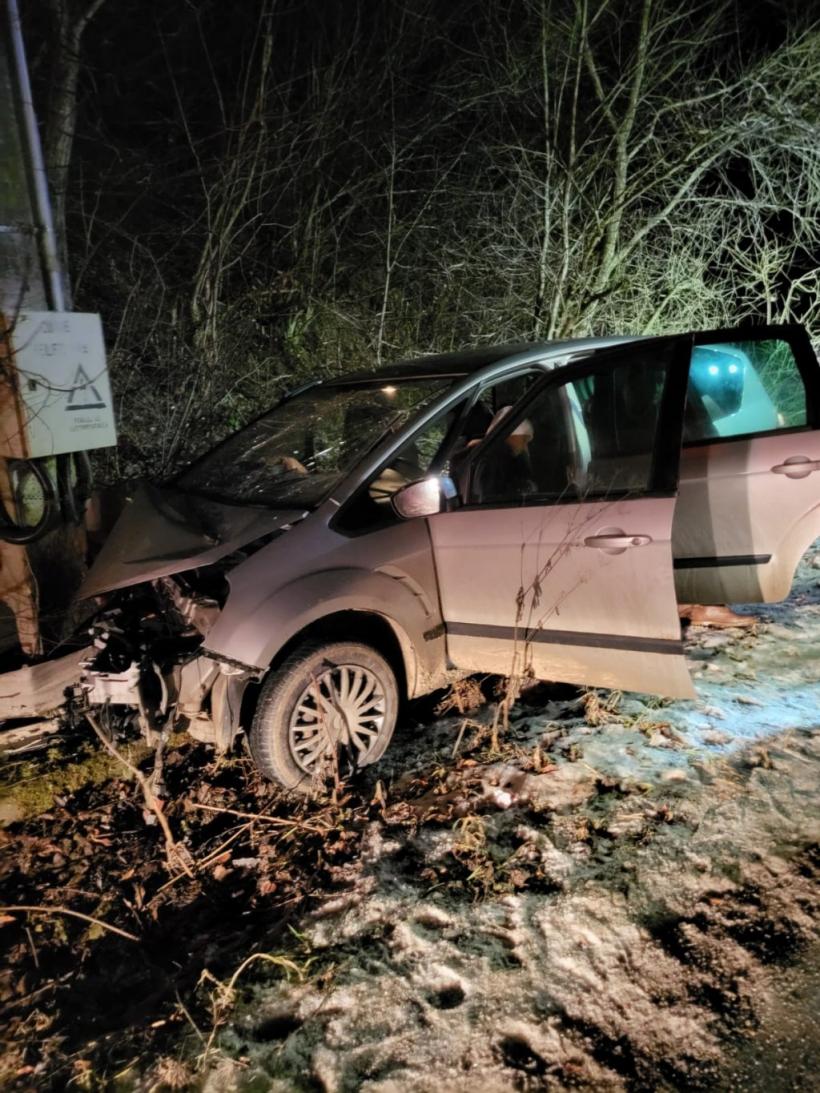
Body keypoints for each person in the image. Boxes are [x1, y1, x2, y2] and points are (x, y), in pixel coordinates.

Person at [471, 405, 536, 501]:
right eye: (524, 440)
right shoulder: (492, 462)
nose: (525, 447)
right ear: (509, 435)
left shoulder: (516, 460)